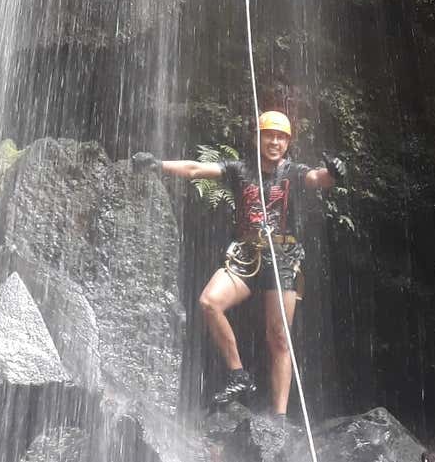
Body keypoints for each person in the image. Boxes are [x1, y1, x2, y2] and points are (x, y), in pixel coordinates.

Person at [132, 110, 345, 418]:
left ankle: (279, 417)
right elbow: (195, 169)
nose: (274, 142)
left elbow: (318, 178)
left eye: (281, 137)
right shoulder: (239, 169)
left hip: (282, 258)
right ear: (257, 138)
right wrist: (158, 165)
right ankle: (238, 375)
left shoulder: (294, 172)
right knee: (209, 302)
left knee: (279, 337)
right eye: (268, 135)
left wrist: (335, 172)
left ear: (288, 142)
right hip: (246, 254)